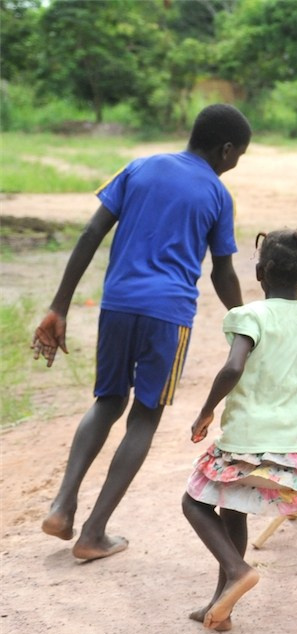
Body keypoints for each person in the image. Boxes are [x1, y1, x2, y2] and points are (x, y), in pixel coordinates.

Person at [33, 103, 252, 561]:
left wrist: (59, 305)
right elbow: (221, 273)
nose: (235, 165)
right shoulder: (216, 194)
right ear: (226, 149)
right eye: (238, 157)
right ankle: (93, 533)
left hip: (116, 305)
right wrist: (248, 319)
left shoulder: (139, 167)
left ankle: (62, 504)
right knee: (144, 416)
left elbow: (91, 234)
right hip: (168, 315)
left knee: (107, 401)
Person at [183, 229, 297, 631]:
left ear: (259, 272)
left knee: (194, 503)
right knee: (232, 510)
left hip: (247, 439)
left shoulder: (250, 316)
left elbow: (234, 367)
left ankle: (238, 570)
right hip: (293, 444)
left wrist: (206, 411)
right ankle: (221, 608)